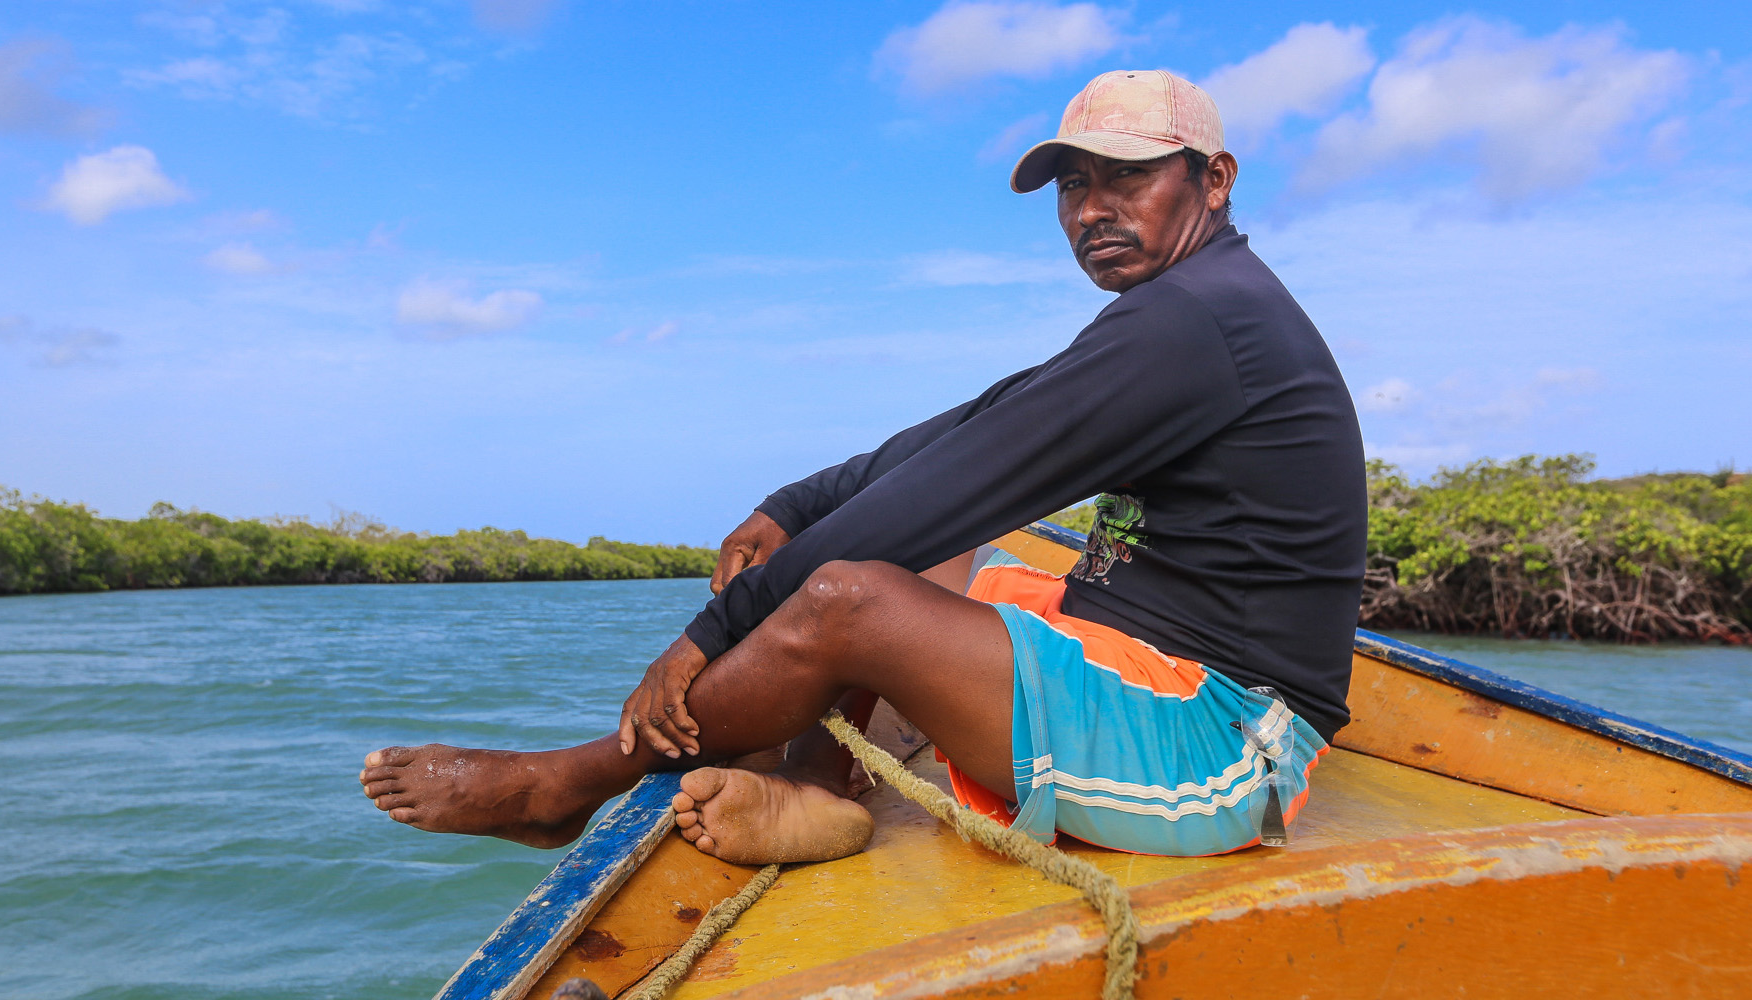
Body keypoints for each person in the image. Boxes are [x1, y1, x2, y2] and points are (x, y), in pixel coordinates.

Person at [359, 70, 1367, 862]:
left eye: (1127, 176)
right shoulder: (1187, 310)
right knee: (920, 548)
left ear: (1214, 180)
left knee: (850, 596)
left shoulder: (1197, 322)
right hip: (1133, 657)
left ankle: (565, 787)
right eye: (1073, 183)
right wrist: (789, 503)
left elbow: (966, 474)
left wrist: (712, 631)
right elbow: (975, 428)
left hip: (1226, 743)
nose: (1091, 209)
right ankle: (819, 789)